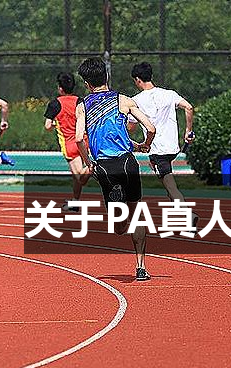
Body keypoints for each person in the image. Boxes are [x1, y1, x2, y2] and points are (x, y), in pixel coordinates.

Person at [75, 57, 156, 281]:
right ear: (107, 76)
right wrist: (145, 144)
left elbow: (79, 138)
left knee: (119, 228)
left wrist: (88, 162)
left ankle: (118, 201)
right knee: (137, 212)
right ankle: (141, 267)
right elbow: (150, 127)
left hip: (104, 167)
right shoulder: (124, 100)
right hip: (128, 162)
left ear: (87, 83)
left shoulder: (83, 106)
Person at [128, 62, 197, 219]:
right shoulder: (169, 94)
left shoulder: (136, 101)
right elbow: (189, 107)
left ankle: (188, 215)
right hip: (172, 148)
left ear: (137, 80)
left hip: (158, 150)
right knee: (168, 187)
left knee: (171, 187)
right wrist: (188, 131)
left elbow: (130, 127)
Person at [44, 72, 88, 212]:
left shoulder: (55, 104)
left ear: (60, 88)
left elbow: (47, 126)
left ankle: (94, 166)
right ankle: (75, 202)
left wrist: (56, 124)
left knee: (80, 177)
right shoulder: (80, 101)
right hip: (84, 141)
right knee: (77, 177)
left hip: (69, 144)